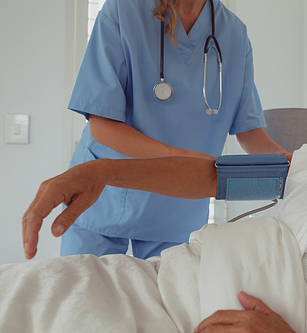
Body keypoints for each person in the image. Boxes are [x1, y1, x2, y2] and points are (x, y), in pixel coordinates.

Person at [9, 19, 307, 332]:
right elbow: (217, 176)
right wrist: (101, 171)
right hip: (159, 287)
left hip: (188, 319)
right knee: (27, 290)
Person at [64, 0, 286, 259]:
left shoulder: (234, 33)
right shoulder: (123, 10)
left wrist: (301, 168)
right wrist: (177, 159)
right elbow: (101, 125)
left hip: (176, 208)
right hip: (105, 198)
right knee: (86, 296)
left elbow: (249, 133)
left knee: (166, 298)